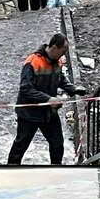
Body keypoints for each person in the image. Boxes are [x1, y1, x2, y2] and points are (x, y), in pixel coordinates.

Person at [7, 33, 86, 165]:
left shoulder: (57, 61)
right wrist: (48, 99)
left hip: (48, 113)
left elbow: (60, 79)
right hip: (29, 114)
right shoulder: (33, 62)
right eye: (63, 51)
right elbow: (26, 89)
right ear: (54, 48)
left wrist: (73, 89)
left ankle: (55, 170)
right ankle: (10, 170)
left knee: (57, 144)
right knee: (20, 146)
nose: (64, 55)